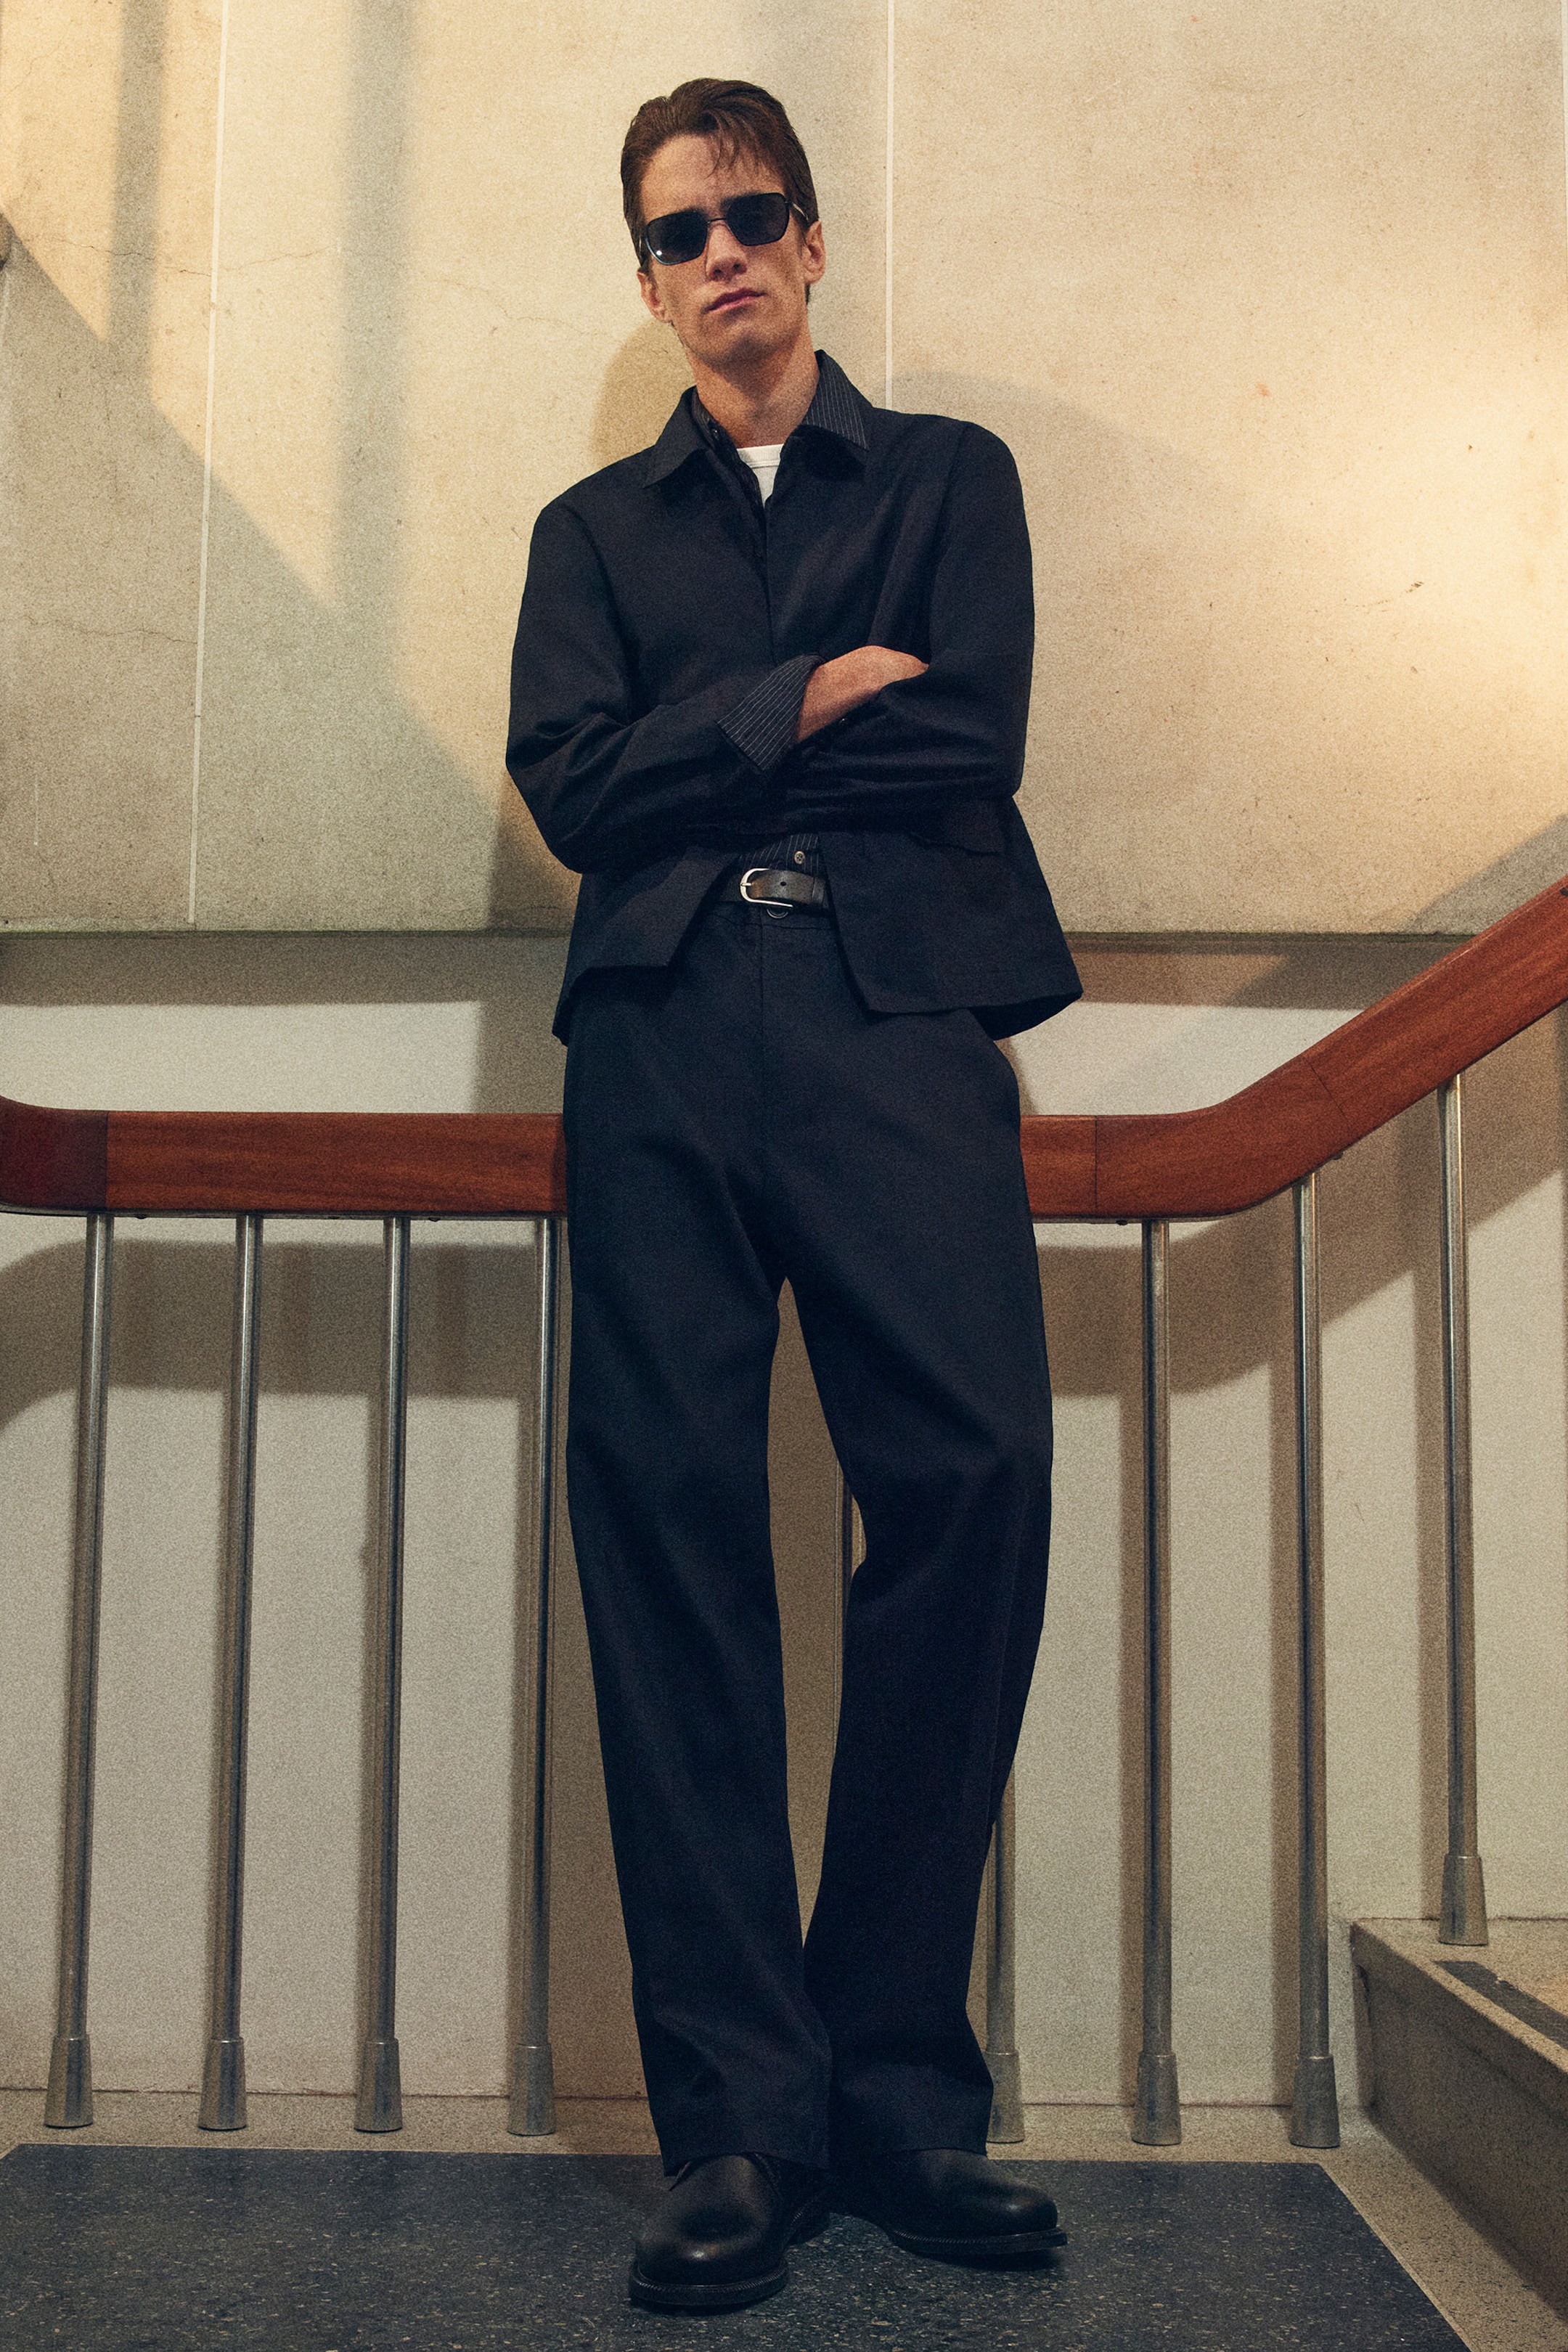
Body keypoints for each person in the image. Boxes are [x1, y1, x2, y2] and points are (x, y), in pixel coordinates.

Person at [506, 78, 1082, 2314]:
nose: (722, 254)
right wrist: (803, 697)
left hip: (896, 1028)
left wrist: (718, 737)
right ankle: (739, 2129)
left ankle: (897, 2098)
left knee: (972, 1479)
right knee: (666, 1523)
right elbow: (572, 790)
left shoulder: (948, 479)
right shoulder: (587, 534)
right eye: (678, 232)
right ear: (648, 277)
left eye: (755, 215)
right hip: (659, 1041)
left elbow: (976, 737)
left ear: (816, 243)